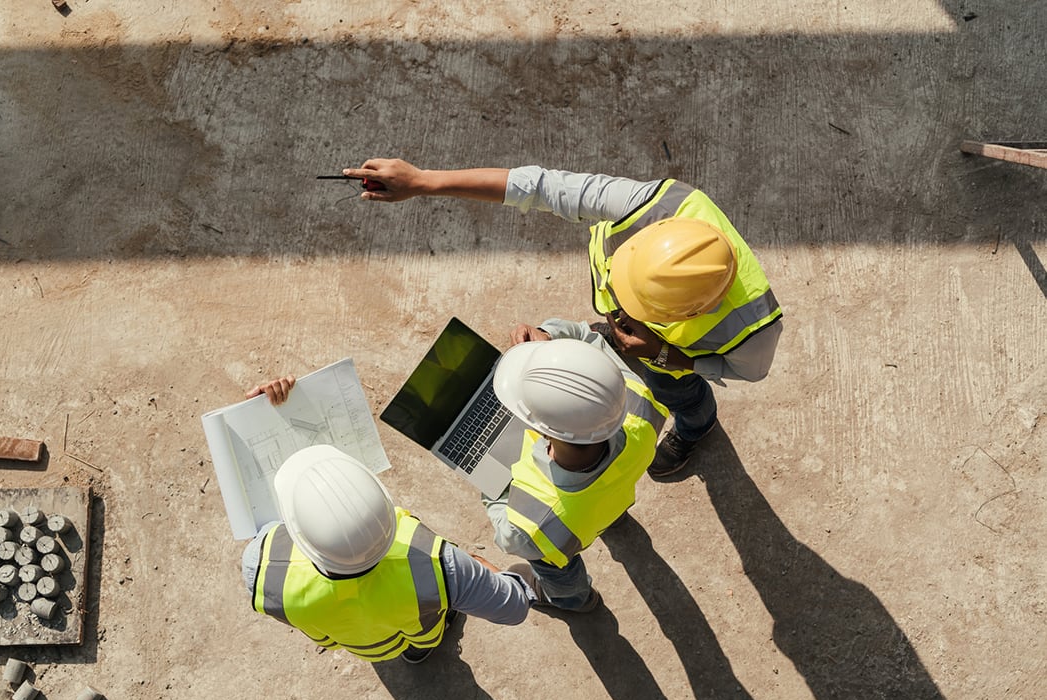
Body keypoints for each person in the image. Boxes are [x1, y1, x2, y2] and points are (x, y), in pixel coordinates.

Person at [341, 159, 783, 477]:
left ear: (690, 311)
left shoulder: (754, 332)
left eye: (634, 307)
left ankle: (696, 426)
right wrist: (423, 181)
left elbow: (746, 373)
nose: (617, 311)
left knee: (681, 396)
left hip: (670, 361)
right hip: (651, 344)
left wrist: (668, 356)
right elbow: (540, 186)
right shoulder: (650, 205)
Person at [240, 380, 536, 664]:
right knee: (424, 632)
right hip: (419, 630)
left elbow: (263, 518)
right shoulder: (440, 565)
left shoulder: (261, 568)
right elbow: (514, 606)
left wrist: (262, 416)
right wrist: (474, 566)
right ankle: (420, 650)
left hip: (358, 643)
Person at [483, 319, 668, 612]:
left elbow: (509, 537)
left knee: (556, 569)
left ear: (541, 431)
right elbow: (589, 340)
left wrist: (489, 483)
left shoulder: (531, 526)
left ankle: (574, 600)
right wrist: (551, 342)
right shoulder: (638, 404)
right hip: (609, 498)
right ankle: (613, 521)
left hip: (564, 534)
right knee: (606, 505)